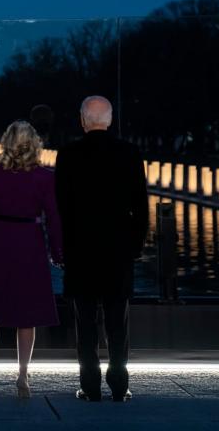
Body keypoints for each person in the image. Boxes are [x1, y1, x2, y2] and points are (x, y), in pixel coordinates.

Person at [54, 96, 148, 403]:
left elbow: (61, 208)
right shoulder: (130, 153)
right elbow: (141, 207)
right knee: (117, 321)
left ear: (83, 120)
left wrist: (62, 247)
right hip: (117, 250)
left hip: (81, 250)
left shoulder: (68, 155)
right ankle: (120, 384)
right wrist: (135, 246)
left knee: (85, 322)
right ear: (110, 120)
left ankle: (90, 385)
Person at [0, 120, 63, 399]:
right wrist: (57, 252)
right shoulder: (45, 177)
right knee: (26, 315)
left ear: (6, 142)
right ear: (35, 144)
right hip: (29, 241)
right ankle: (22, 376)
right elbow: (54, 219)